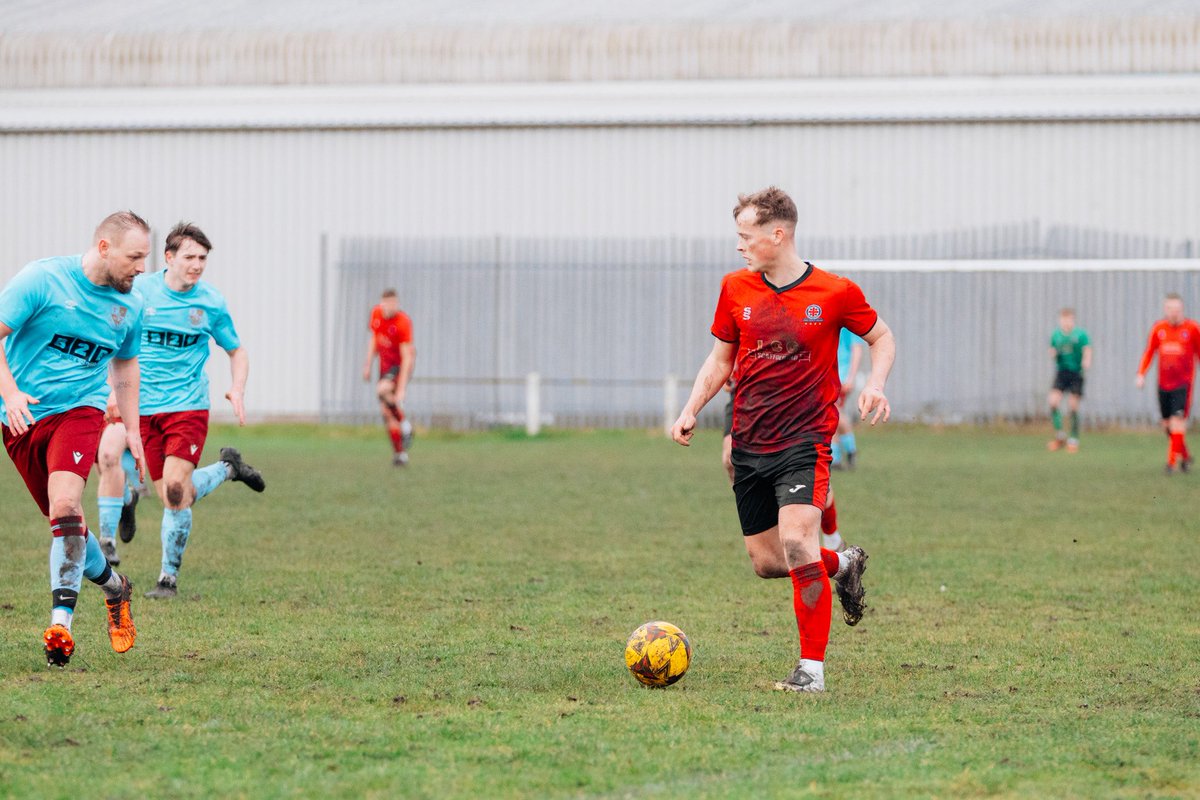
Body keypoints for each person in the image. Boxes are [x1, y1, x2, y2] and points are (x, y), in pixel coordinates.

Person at [671, 187, 896, 694]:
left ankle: (810, 672)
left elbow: (881, 336)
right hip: (750, 441)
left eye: (745, 236)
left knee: (798, 539)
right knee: (770, 562)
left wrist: (876, 384)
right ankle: (845, 563)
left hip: (805, 441)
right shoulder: (735, 289)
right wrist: (691, 409)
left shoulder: (834, 292)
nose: (739, 246)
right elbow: (720, 360)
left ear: (778, 234)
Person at [0, 210, 147, 666]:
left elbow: (124, 364)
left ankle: (59, 626)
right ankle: (115, 589)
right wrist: (10, 391)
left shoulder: (131, 306)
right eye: (134, 256)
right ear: (104, 248)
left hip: (81, 411)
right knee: (68, 528)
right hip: (20, 417)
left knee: (66, 506)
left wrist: (134, 431)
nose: (142, 267)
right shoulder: (42, 280)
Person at [137, 222, 266, 600]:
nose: (197, 265)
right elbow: (114, 342)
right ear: (169, 257)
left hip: (187, 405)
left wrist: (237, 387)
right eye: (190, 257)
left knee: (176, 492)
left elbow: (236, 350)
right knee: (172, 497)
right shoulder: (140, 292)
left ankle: (167, 580)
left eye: (203, 258)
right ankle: (229, 468)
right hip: (144, 409)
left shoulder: (210, 301)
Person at [1136, 293, 1200, 474]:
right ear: (1166, 310)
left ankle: (1170, 464)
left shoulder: (1192, 328)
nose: (1174, 313)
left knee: (1177, 421)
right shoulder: (1159, 328)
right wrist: (1141, 374)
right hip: (1163, 384)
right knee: (1167, 425)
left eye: (1177, 309)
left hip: (1183, 384)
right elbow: (1149, 352)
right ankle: (1185, 457)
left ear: (1182, 310)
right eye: (1170, 309)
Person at [362, 289, 415, 466]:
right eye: (388, 302)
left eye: (395, 303)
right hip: (384, 367)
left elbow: (407, 356)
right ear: (382, 303)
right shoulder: (376, 314)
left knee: (382, 389)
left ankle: (405, 424)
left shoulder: (402, 322)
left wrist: (401, 389)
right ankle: (400, 454)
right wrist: (368, 364)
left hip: (399, 366)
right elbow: (374, 339)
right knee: (386, 412)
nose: (392, 306)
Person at [93, 413, 146, 565]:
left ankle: (107, 542)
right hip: (93, 400)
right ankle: (128, 499)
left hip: (123, 400)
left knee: (109, 458)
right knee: (103, 468)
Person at [1047, 308, 1092, 453]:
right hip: (1062, 373)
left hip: (1076, 373)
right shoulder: (1056, 335)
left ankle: (1073, 439)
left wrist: (1086, 360)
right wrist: (1053, 354)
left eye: (1069, 319)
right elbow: (1052, 350)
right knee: (1053, 402)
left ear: (1073, 320)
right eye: (1063, 319)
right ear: (1060, 320)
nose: (1066, 322)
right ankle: (1060, 436)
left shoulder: (1080, 335)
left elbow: (1087, 349)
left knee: (1073, 406)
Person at [831, 328, 865, 469]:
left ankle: (850, 450)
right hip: (831, 375)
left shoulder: (848, 324)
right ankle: (835, 459)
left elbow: (857, 349)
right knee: (831, 415)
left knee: (835, 413)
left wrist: (850, 378)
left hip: (842, 377)